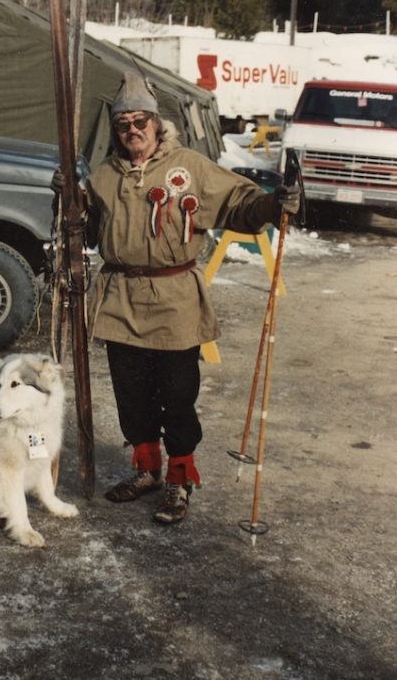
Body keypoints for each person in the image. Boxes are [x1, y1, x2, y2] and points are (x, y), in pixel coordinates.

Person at [53, 70, 300, 526]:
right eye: (124, 124)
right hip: (120, 298)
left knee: (178, 396)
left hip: (174, 302)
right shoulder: (105, 175)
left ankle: (179, 479)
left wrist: (273, 203)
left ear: (156, 122)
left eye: (140, 122)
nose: (133, 132)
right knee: (132, 396)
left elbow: (238, 203)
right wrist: (67, 203)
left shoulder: (189, 166)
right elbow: (87, 232)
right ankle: (146, 471)